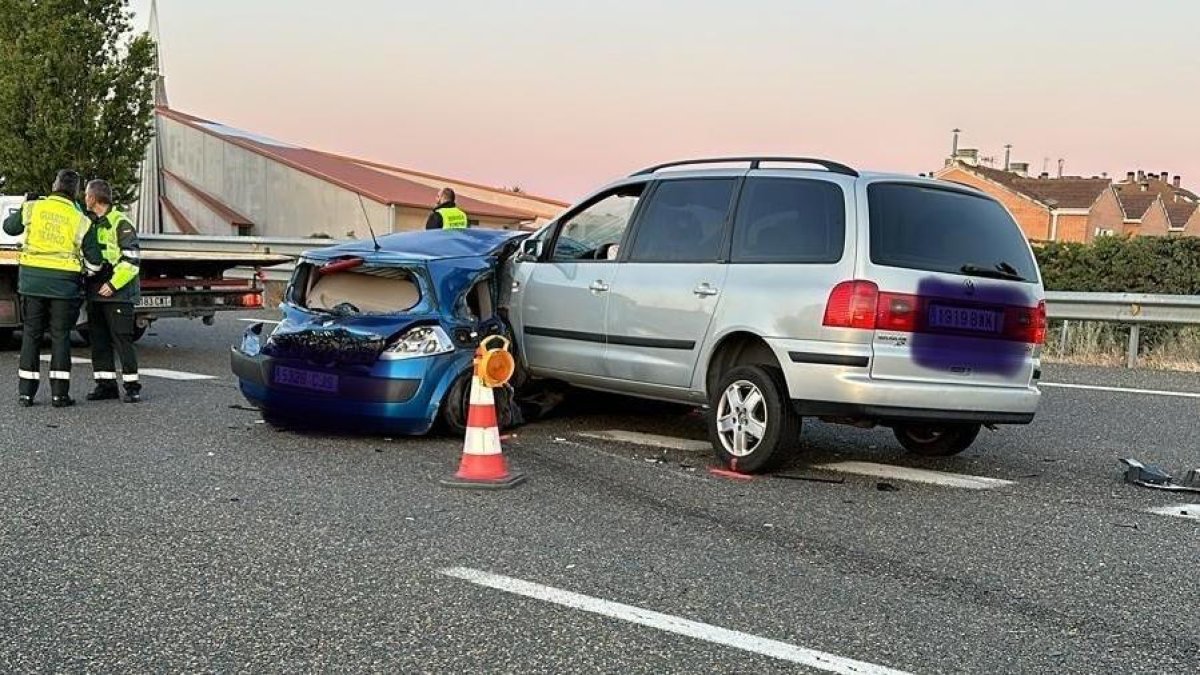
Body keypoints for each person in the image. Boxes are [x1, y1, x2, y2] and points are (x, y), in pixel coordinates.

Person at [2, 170, 102, 407]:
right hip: (63, 286)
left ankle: (26, 394)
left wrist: (26, 201)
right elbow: (95, 262)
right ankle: (60, 395)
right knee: (60, 337)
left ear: (54, 185)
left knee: (31, 335)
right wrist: (84, 271)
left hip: (32, 282)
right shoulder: (81, 219)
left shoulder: (34, 208)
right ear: (76, 192)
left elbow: (9, 227)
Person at [82, 179, 142, 403]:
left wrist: (113, 284)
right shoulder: (92, 222)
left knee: (122, 340)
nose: (84, 199)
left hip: (117, 292)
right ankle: (105, 385)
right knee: (98, 340)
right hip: (96, 289)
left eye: (87, 195)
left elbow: (132, 261)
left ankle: (132, 386)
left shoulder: (120, 223)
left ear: (94, 198)